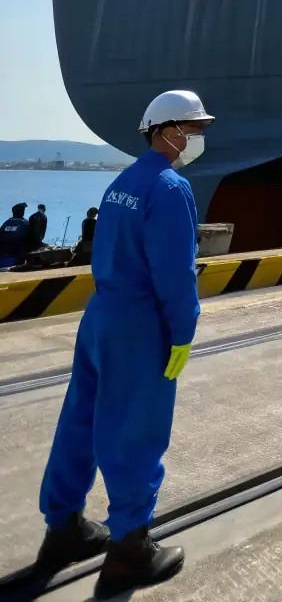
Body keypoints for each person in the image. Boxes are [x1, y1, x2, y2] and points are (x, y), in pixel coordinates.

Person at [35, 89, 211, 596]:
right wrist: (182, 333)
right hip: (139, 324)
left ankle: (63, 527)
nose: (198, 137)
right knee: (136, 429)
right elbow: (175, 276)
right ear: (169, 130)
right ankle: (130, 547)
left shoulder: (121, 184)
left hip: (100, 316)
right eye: (194, 129)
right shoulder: (170, 188)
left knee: (82, 420)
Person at [0, 203, 31, 269]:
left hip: (3, 257)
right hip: (17, 259)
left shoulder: (6, 223)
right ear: (22, 212)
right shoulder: (25, 224)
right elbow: (33, 240)